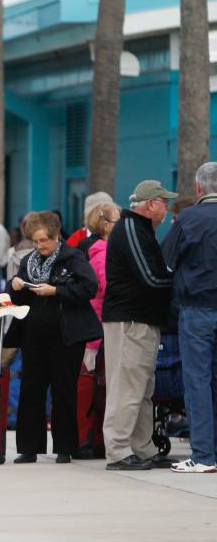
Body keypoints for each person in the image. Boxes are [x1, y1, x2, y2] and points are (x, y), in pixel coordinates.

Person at [6, 211, 101, 464]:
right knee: (31, 388)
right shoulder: (28, 261)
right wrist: (14, 286)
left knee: (63, 389)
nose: (39, 246)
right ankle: (29, 447)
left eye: (43, 241)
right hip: (33, 333)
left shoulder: (73, 257)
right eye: (35, 242)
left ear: (56, 236)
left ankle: (65, 447)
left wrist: (56, 290)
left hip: (66, 334)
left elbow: (89, 287)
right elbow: (18, 297)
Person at [101, 181, 176, 471]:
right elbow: (151, 278)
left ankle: (142, 449)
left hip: (140, 320)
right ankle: (119, 451)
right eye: (163, 202)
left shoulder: (141, 230)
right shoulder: (132, 228)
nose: (167, 208)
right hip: (130, 320)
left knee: (142, 389)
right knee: (127, 389)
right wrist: (178, 280)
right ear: (149, 204)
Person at [163, 162, 217, 473]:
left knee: (197, 381)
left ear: (199, 188)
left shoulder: (189, 218)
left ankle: (204, 455)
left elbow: (167, 264)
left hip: (197, 308)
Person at [84, 202, 120, 369]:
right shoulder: (105, 256)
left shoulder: (103, 253)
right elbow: (111, 290)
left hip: (99, 330)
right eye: (118, 221)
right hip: (101, 333)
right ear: (106, 226)